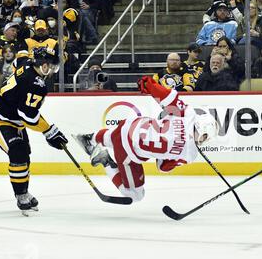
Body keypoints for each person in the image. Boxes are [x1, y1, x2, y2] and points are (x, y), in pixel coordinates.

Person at [73, 76, 219, 203]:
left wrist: (149, 84)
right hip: (128, 152)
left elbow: (168, 98)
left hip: (132, 124)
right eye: (205, 137)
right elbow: (162, 167)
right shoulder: (189, 154)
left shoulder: (187, 113)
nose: (203, 141)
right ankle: (105, 160)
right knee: (136, 195)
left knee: (118, 135)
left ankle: (91, 138)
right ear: (203, 128)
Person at [0, 47, 68, 216]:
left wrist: (49, 131)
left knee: (24, 154)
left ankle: (24, 191)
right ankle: (21, 195)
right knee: (18, 152)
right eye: (50, 65)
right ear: (41, 64)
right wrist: (49, 131)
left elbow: (18, 60)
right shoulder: (36, 85)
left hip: (14, 119)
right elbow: (28, 116)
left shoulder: (26, 63)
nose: (51, 70)